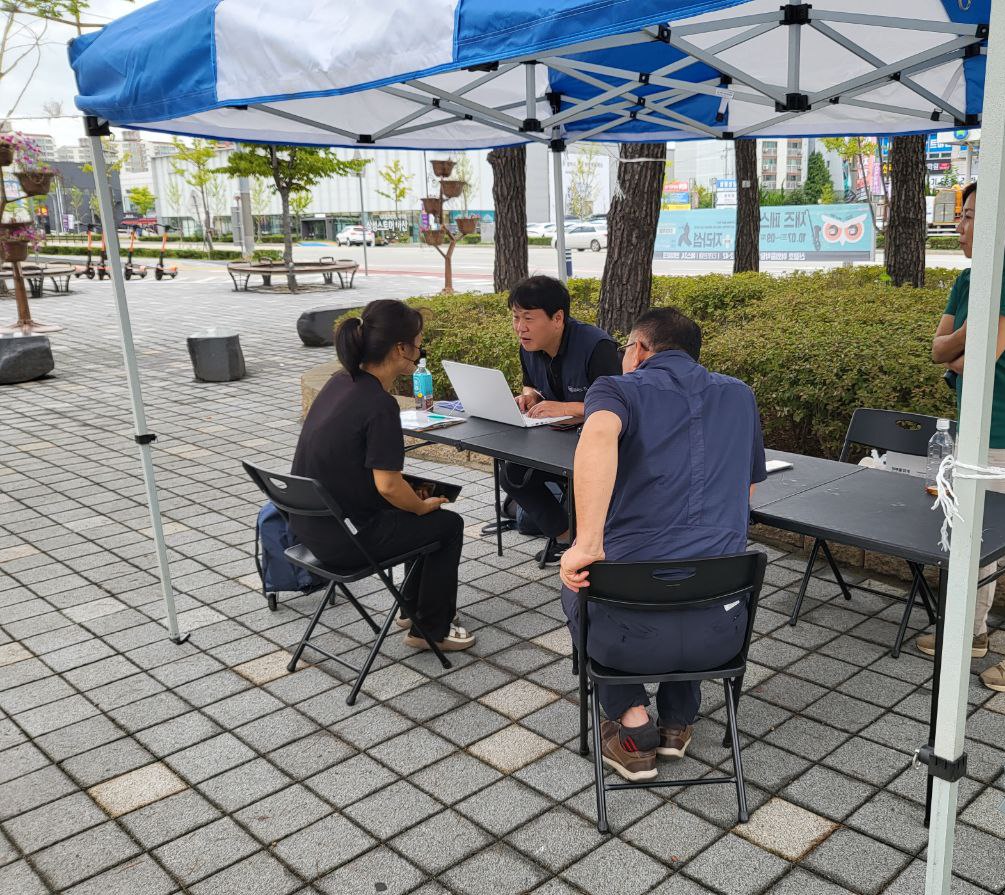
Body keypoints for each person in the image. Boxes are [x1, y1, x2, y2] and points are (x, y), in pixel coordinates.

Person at [560, 307, 767, 782]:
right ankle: (678, 723)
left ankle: (632, 725)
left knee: (579, 580)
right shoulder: (739, 395)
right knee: (695, 572)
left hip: (626, 639)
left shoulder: (616, 387)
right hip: (721, 636)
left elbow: (596, 436)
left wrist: (585, 543)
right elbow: (747, 490)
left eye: (626, 347)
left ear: (640, 348)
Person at [923, 178, 1005, 693]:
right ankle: (973, 633)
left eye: (971, 214)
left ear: (1002, 223)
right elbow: (941, 352)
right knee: (973, 536)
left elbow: (976, 359)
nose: (960, 224)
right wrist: (965, 338)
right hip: (972, 431)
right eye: (962, 213)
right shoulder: (968, 278)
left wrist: (962, 345)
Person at [289, 299, 475, 653]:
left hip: (311, 528)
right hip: (346, 541)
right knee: (445, 525)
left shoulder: (340, 382)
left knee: (415, 511)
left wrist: (414, 503)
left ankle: (412, 610)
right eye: (418, 343)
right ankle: (429, 630)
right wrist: (421, 508)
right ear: (400, 348)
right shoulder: (379, 404)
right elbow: (388, 485)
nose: (420, 351)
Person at [500, 275, 621, 550]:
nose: (520, 328)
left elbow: (621, 407)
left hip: (599, 446)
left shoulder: (597, 347)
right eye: (516, 318)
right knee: (512, 474)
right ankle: (566, 536)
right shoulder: (528, 348)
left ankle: (589, 539)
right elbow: (530, 383)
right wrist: (529, 397)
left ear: (557, 318)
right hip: (554, 438)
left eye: (528, 318)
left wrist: (566, 408)